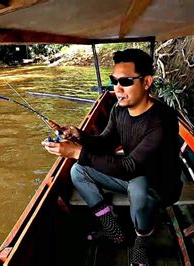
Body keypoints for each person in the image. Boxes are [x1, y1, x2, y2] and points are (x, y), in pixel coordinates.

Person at [41, 49, 183, 265]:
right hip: (132, 175)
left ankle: (141, 245)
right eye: (113, 80)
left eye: (125, 81)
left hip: (160, 185)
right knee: (78, 170)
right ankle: (112, 229)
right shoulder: (119, 110)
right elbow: (106, 143)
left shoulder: (162, 120)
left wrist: (77, 151)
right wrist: (80, 136)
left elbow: (129, 167)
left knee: (138, 187)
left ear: (146, 82)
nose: (117, 88)